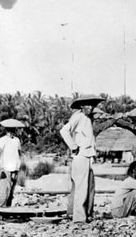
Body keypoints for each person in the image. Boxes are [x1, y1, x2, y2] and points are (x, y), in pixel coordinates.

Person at [60, 94, 105, 223]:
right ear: (81, 106)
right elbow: (64, 131)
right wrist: (73, 146)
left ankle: (80, 214)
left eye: (92, 105)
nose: (90, 107)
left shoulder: (87, 119)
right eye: (87, 105)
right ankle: (79, 218)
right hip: (81, 155)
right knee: (81, 188)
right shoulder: (78, 117)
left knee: (86, 186)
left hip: (87, 155)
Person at [0, 119, 24, 207]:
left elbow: (19, 152)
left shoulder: (17, 140)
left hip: (15, 167)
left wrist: (21, 163)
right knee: (5, 188)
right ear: (7, 129)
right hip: (5, 167)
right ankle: (1, 206)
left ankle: (8, 206)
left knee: (11, 188)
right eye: (11, 129)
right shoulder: (2, 140)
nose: (13, 131)